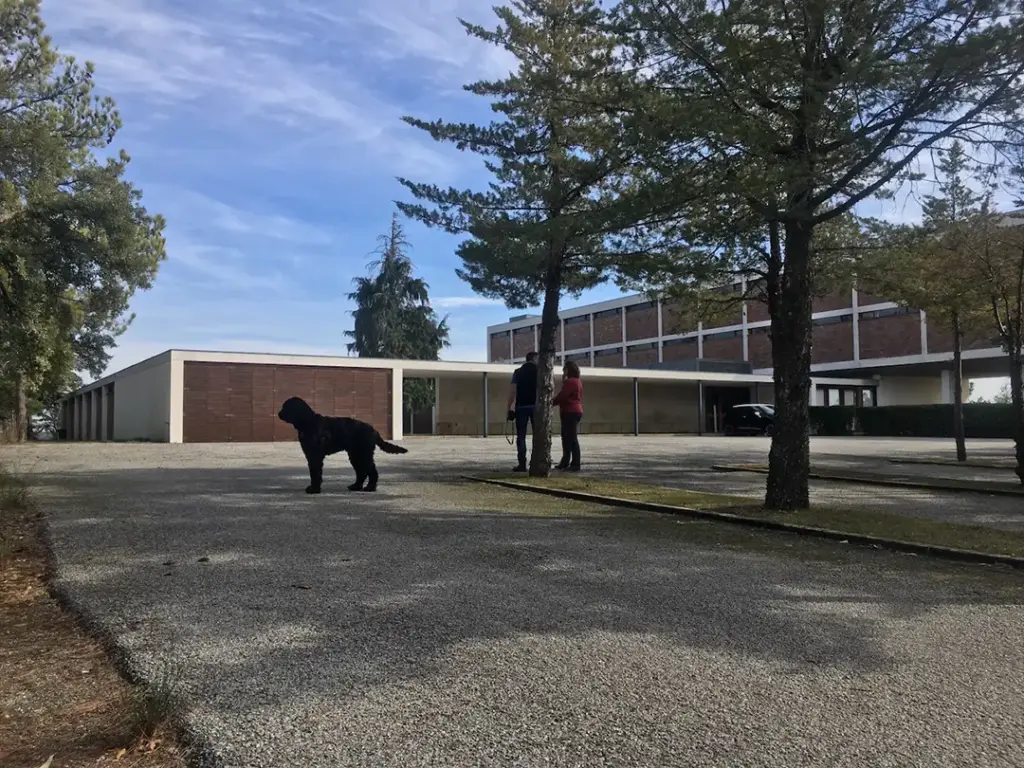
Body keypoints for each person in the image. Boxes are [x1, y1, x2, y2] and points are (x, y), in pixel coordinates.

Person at [506, 351, 538, 472]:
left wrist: (509, 407)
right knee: (538, 435)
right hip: (536, 407)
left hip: (521, 407)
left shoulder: (518, 372)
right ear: (534, 358)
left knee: (521, 436)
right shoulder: (540, 372)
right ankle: (536, 461)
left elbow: (513, 391)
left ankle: (522, 463)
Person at [552, 360, 583, 471]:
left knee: (570, 438)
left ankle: (574, 463)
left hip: (570, 411)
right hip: (575, 411)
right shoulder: (577, 381)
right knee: (567, 437)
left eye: (564, 369)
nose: (563, 371)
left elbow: (562, 396)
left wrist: (550, 403)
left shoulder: (569, 382)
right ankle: (565, 462)